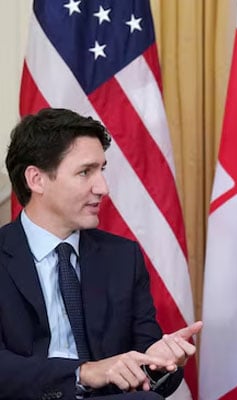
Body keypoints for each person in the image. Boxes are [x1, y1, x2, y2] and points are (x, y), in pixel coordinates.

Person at [0, 108, 202, 399]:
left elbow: (148, 371)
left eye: (102, 170)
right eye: (85, 172)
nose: (103, 188)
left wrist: (158, 362)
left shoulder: (122, 258)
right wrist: (83, 372)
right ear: (37, 179)